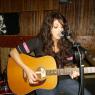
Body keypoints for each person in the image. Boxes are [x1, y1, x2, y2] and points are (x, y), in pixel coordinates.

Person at [9, 11, 92, 95]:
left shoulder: (68, 44)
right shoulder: (38, 41)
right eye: (56, 27)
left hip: (63, 80)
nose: (60, 30)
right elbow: (13, 52)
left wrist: (72, 71)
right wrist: (27, 70)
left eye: (62, 27)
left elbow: (69, 65)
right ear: (48, 28)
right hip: (43, 83)